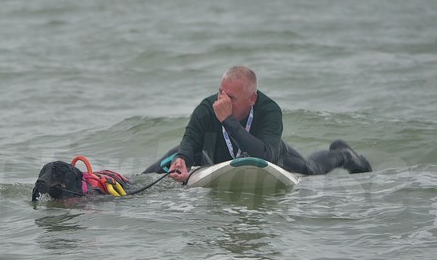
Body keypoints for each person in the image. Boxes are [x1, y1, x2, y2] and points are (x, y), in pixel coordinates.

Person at [143, 66, 371, 180]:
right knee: (177, 156)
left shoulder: (269, 110)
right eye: (220, 93)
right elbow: (191, 138)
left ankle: (345, 154)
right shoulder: (207, 107)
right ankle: (124, 186)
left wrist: (228, 120)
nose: (221, 101)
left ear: (252, 99)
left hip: (272, 154)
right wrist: (183, 159)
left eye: (231, 98)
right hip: (218, 156)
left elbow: (265, 157)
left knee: (312, 169)